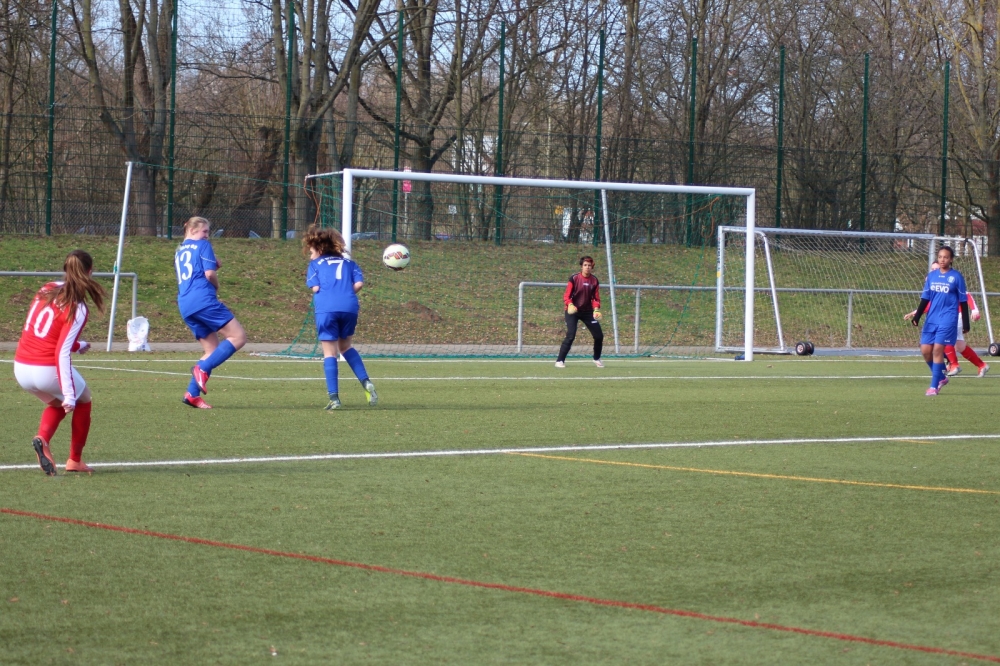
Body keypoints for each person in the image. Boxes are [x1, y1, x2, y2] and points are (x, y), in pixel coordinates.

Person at [14, 250, 104, 475]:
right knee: (84, 399)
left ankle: (43, 439)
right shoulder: (78, 307)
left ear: (65, 269)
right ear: (89, 272)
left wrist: (78, 345)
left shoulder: (46, 288)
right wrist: (69, 394)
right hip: (45, 369)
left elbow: (46, 334)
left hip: (21, 368)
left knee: (57, 404)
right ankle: (74, 460)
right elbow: (61, 352)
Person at [175, 216, 247, 409]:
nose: (207, 235)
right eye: (204, 231)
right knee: (238, 337)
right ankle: (202, 369)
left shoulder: (179, 250)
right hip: (202, 300)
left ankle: (192, 394)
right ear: (192, 229)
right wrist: (216, 285)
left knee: (211, 350)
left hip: (185, 303)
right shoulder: (203, 245)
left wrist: (213, 263)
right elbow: (208, 274)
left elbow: (196, 269)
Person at [303, 225, 377, 410]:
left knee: (330, 353)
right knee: (345, 347)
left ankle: (334, 398)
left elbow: (315, 288)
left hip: (327, 308)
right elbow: (359, 284)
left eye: (311, 252)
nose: (310, 256)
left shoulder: (315, 265)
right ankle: (366, 381)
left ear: (319, 249)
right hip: (349, 307)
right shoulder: (350, 264)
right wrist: (344, 292)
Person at [904, 247, 970, 396]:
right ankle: (941, 377)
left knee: (937, 350)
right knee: (925, 351)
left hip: (948, 319)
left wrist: (966, 323)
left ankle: (934, 387)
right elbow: (925, 298)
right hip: (932, 319)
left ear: (951, 259)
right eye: (940, 257)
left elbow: (963, 301)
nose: (942, 260)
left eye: (945, 257)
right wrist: (917, 316)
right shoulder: (932, 276)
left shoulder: (956, 277)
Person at [906, 263, 990, 378]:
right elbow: (931, 304)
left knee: (943, 339)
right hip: (946, 317)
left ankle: (954, 365)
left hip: (955, 316)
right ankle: (981, 365)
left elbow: (966, 295)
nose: (934, 270)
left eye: (936, 268)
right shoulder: (934, 281)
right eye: (932, 269)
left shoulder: (952, 279)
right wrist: (916, 313)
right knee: (960, 346)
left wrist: (974, 310)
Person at [555, 255, 604, 368]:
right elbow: (567, 295)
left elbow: (596, 298)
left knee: (599, 336)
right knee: (571, 335)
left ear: (592, 267)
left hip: (588, 312)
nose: (587, 267)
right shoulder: (574, 278)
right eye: (585, 265)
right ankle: (560, 360)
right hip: (573, 311)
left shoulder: (594, 280)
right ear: (581, 266)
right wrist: (570, 304)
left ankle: (597, 358)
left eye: (589, 265)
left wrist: (596, 309)